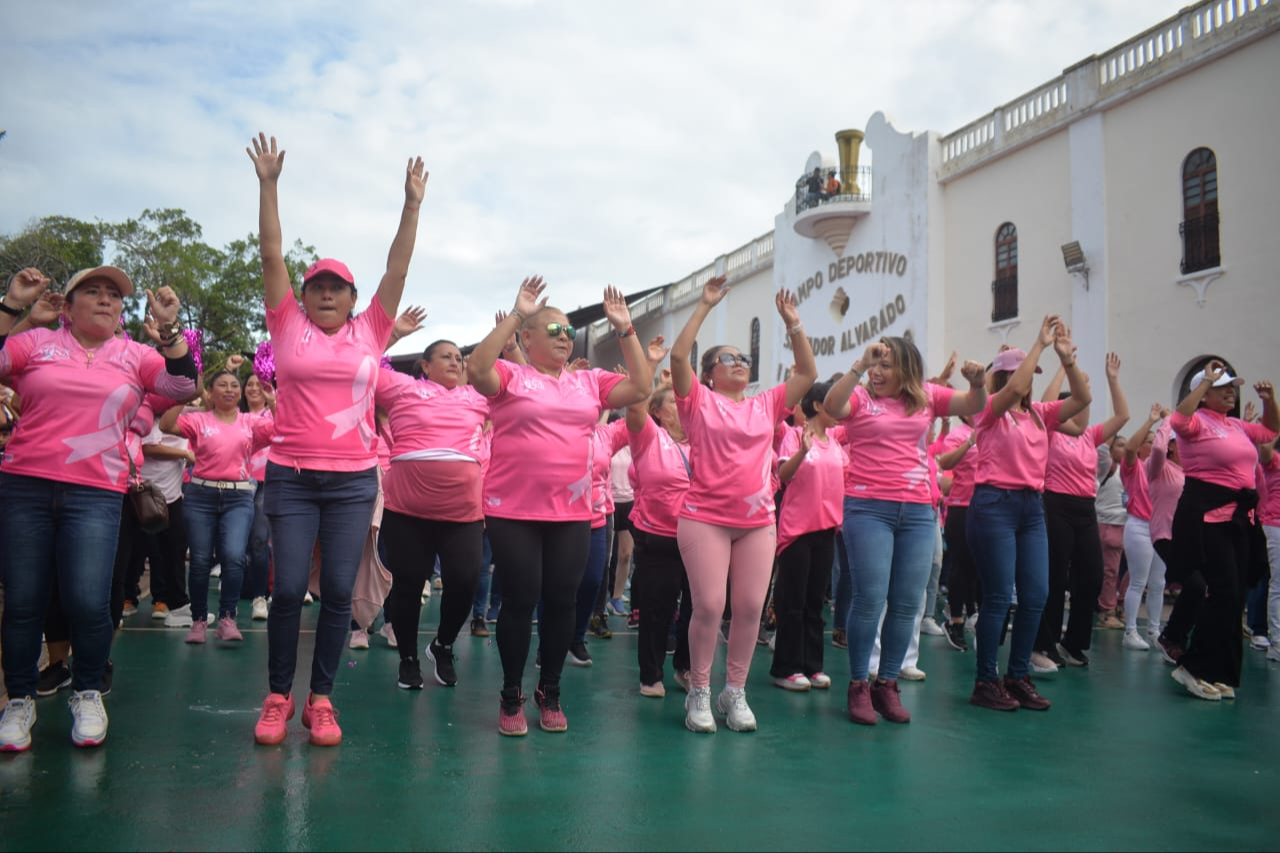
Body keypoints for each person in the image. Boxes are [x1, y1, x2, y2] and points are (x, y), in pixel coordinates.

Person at [246, 132, 426, 747]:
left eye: (336, 287)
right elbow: (271, 254)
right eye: (316, 284)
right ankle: (277, 694)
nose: (325, 292)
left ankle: (320, 699)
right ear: (302, 294)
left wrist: (412, 206)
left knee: (341, 593)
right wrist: (269, 185)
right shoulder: (285, 323)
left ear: (352, 299)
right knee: (290, 585)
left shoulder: (372, 332)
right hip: (291, 477)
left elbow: (396, 267)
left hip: (352, 481)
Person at [0, 266, 197, 752]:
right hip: (25, 486)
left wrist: (170, 329)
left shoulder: (135, 355)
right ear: (67, 307)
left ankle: (87, 691)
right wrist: (11, 307)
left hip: (96, 492)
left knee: (89, 601)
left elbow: (182, 386)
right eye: (93, 291)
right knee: (23, 601)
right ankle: (19, 699)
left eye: (114, 294)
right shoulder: (37, 344)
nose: (106, 300)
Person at [468, 278, 653, 736]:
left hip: (572, 512)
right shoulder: (513, 377)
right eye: (553, 331)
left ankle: (549, 689)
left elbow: (641, 387)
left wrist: (626, 329)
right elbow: (477, 368)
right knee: (521, 598)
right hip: (513, 510)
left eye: (568, 332)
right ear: (527, 339)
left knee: (561, 602)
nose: (564, 338)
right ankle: (511, 692)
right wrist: (517, 313)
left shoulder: (589, 382)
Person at [669, 276, 817, 734]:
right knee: (710, 605)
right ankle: (698, 690)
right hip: (704, 518)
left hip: (756, 521)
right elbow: (678, 357)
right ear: (710, 372)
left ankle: (734, 691)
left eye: (744, 358)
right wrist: (705, 306)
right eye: (728, 358)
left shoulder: (765, 404)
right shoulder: (697, 402)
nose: (739, 363)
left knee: (750, 606)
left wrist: (793, 324)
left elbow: (807, 375)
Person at [824, 340, 987, 724]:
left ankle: (888, 684)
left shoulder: (927, 396)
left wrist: (979, 383)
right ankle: (860, 685)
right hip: (867, 508)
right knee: (870, 600)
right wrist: (859, 365)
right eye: (875, 365)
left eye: (886, 365)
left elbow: (974, 405)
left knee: (905, 603)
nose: (877, 372)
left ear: (907, 370)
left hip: (916, 511)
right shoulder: (862, 399)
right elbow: (832, 407)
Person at [965, 317, 1089, 712]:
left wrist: (1067, 362)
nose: (1029, 380)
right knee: (1000, 597)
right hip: (994, 506)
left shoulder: (1039, 414)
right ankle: (986, 681)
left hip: (1031, 508)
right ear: (1003, 376)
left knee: (1036, 594)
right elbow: (1016, 387)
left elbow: (1082, 400)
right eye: (1022, 373)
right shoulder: (988, 410)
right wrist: (1039, 342)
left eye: (1034, 374)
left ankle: (1017, 676)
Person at [375, 339, 490, 691]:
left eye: (459, 358)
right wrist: (391, 336)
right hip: (408, 511)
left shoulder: (478, 397)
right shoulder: (402, 388)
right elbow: (360, 365)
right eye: (446, 356)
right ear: (425, 365)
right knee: (408, 587)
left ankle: (442, 644)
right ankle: (408, 659)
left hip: (463, 514)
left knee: (466, 580)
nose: (456, 362)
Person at [1165, 364, 1276, 700]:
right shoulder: (1197, 423)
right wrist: (1205, 382)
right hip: (1209, 517)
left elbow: (1270, 432)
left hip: (1240, 519)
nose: (1231, 392)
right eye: (1223, 387)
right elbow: (1177, 420)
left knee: (1236, 596)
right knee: (1224, 591)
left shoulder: (1237, 426)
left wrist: (1270, 401)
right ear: (1206, 393)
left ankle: (1221, 671)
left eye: (1233, 387)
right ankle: (1192, 667)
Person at [160, 370, 274, 644]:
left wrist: (273, 401)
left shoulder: (250, 422)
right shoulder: (198, 420)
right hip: (201, 496)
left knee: (234, 556)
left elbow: (283, 429)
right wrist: (186, 393)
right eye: (222, 385)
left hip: (238, 498)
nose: (230, 389)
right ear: (210, 392)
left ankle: (227, 618)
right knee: (199, 561)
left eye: (235, 385)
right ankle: (199, 620)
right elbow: (166, 425)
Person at [1033, 353, 1130, 670]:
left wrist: (1112, 380)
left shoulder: (1090, 435)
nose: (1085, 408)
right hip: (1056, 504)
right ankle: (1042, 646)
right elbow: (1046, 403)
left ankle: (1073, 643)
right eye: (1079, 403)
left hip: (1086, 508)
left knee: (1091, 576)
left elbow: (1123, 415)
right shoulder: (1051, 430)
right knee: (1055, 577)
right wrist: (1063, 367)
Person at [624, 339, 693, 697]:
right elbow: (634, 408)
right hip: (658, 537)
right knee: (656, 608)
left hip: (700, 538)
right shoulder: (650, 438)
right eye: (674, 403)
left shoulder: (705, 440)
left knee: (701, 609)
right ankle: (650, 674)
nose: (682, 407)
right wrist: (649, 364)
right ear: (660, 412)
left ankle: (686, 666)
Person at [770, 382, 846, 692]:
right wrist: (802, 450)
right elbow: (784, 475)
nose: (841, 410)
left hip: (826, 531)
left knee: (815, 603)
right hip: (797, 531)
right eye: (834, 404)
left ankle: (813, 666)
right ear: (817, 405)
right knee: (793, 602)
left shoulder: (835, 442)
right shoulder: (793, 436)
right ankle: (785, 667)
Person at [1118, 404, 1169, 650]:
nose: (1155, 445)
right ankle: (1130, 630)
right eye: (1149, 442)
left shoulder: (1164, 470)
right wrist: (1150, 422)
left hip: (1160, 528)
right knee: (1138, 581)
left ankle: (1154, 629)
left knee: (1158, 583)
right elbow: (1129, 447)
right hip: (1139, 526)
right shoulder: (1133, 467)